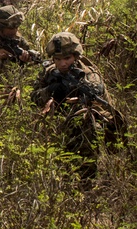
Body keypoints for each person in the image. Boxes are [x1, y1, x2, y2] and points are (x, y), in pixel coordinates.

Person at [32, 32, 125, 179]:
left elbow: (97, 98)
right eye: (58, 59)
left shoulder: (89, 75)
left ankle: (88, 178)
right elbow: (33, 98)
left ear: (76, 56)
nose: (62, 63)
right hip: (57, 124)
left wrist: (80, 99)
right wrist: (51, 91)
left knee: (86, 129)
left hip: (89, 123)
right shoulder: (50, 72)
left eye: (67, 58)